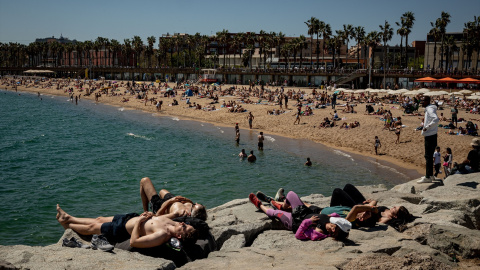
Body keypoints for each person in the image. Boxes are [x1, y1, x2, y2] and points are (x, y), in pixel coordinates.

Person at [56, 204, 197, 248]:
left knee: (91, 228)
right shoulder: (175, 223)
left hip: (122, 229)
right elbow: (158, 217)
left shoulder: (162, 235)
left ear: (178, 236)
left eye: (184, 227)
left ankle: (68, 225)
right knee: (98, 219)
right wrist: (149, 215)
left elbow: (134, 242)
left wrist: (140, 222)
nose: (183, 223)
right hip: (130, 217)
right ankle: (69, 217)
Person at [248, 192, 351, 241]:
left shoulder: (319, 232)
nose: (335, 219)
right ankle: (282, 206)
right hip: (303, 211)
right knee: (291, 194)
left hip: (293, 221)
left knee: (274, 213)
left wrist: (309, 222)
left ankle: (259, 204)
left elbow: (298, 235)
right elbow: (335, 215)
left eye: (336, 223)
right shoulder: (332, 219)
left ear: (334, 229)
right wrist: (332, 216)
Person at [139, 177, 207, 221]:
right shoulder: (190, 209)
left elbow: (158, 216)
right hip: (172, 199)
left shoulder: (179, 213)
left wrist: (169, 202)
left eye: (194, 205)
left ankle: (145, 211)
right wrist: (187, 200)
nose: (196, 203)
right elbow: (191, 204)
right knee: (162, 191)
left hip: (160, 205)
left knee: (144, 180)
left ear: (189, 213)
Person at [418, 96, 439, 183]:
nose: (421, 102)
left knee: (428, 156)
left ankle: (427, 177)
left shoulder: (429, 109)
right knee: (430, 156)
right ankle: (431, 175)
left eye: (423, 101)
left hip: (430, 135)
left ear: (427, 101)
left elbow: (436, 119)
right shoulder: (430, 108)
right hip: (433, 134)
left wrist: (427, 127)